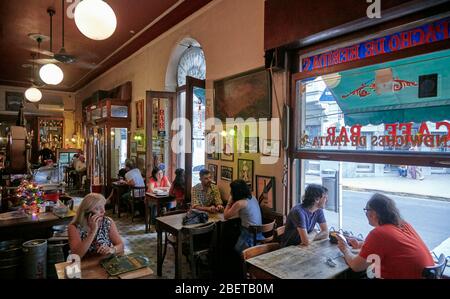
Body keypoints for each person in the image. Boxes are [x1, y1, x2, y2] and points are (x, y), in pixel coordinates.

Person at [336, 193, 434, 279]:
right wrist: (361, 245)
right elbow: (391, 247)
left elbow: (356, 266)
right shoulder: (403, 224)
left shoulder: (379, 233)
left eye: (366, 210)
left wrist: (345, 249)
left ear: (373, 213)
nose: (366, 213)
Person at [68, 193, 124, 259]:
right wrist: (93, 231)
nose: (103, 211)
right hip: (85, 265)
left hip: (103, 262)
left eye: (103, 206)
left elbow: (121, 245)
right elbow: (76, 256)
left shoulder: (107, 222)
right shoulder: (74, 227)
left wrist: (112, 249)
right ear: (87, 213)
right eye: (98, 208)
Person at [224, 179, 264, 253]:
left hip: (249, 236)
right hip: (259, 235)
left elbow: (226, 216)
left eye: (231, 190)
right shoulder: (252, 197)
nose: (230, 192)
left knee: (230, 246)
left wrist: (229, 202)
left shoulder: (240, 203)